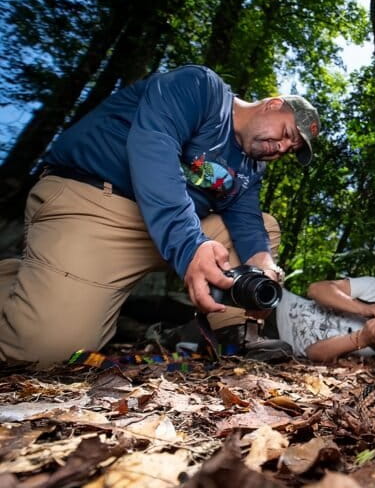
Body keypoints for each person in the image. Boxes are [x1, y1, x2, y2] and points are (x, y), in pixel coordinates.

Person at [0, 64, 321, 365]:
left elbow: (247, 220)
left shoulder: (251, 169)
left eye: (289, 149)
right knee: (46, 352)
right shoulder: (201, 88)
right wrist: (189, 246)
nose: (282, 147)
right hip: (96, 204)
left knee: (265, 230)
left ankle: (235, 337)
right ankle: (25, 278)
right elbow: (155, 145)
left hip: (171, 235)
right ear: (272, 104)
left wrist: (263, 263)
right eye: (287, 133)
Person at [273, 276, 375, 362]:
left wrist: (362, 338)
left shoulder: (373, 352)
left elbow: (311, 353)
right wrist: (364, 308)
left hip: (274, 343)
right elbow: (316, 289)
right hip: (278, 303)